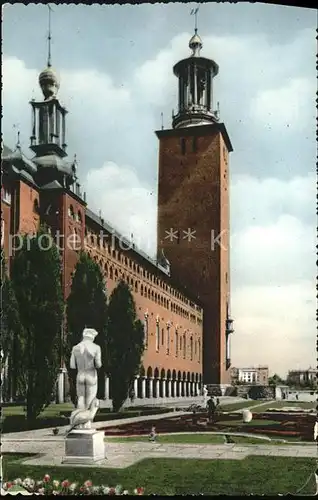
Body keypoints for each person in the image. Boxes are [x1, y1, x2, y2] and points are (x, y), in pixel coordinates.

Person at [70, 328, 102, 412]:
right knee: (90, 402)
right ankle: (86, 422)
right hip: (91, 375)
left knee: (80, 399)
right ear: (92, 337)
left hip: (80, 375)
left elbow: (72, 366)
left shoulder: (75, 348)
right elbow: (98, 365)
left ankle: (80, 420)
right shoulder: (96, 347)